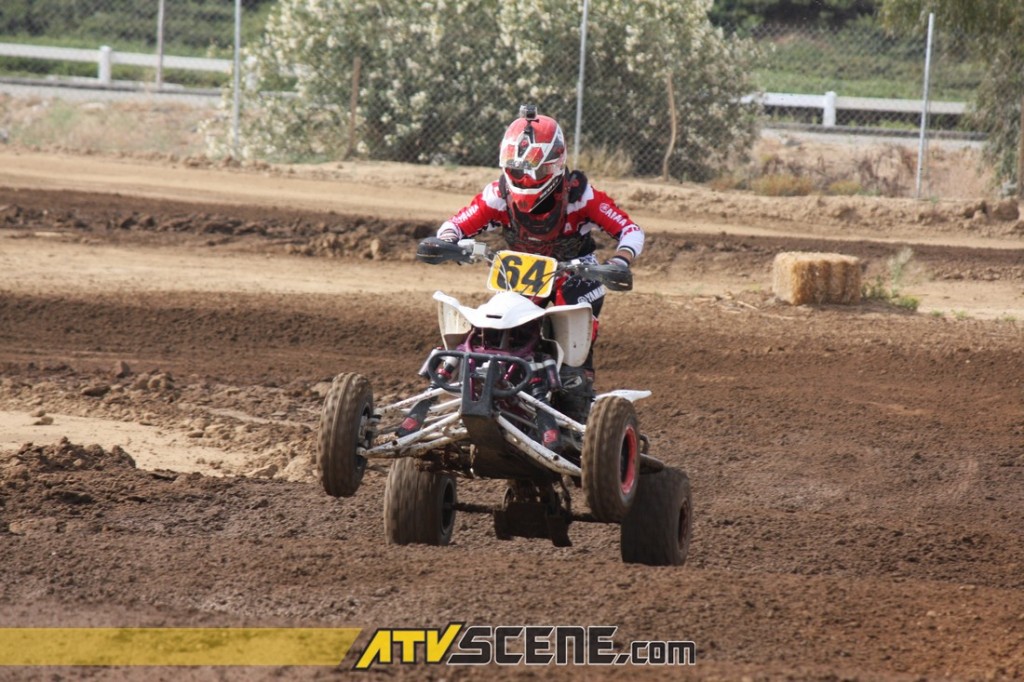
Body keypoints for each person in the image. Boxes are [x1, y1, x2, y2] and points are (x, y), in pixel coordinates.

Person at [434, 105, 645, 442]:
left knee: (565, 310)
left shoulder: (580, 195)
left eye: (535, 170)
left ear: (555, 164)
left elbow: (630, 230)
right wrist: (447, 241)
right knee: (495, 320)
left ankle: (575, 395)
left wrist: (619, 261)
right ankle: (467, 377)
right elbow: (457, 223)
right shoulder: (499, 194)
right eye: (518, 170)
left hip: (579, 275)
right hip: (522, 276)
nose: (526, 179)